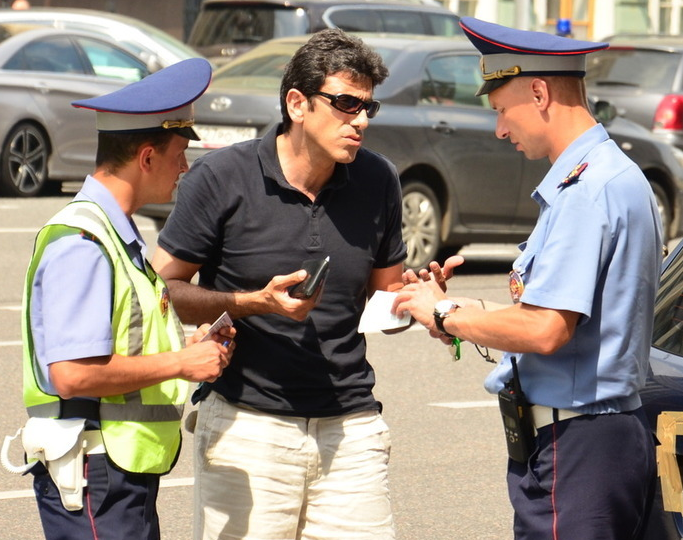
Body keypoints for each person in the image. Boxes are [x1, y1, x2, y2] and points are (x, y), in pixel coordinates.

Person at [152, 28, 459, 540]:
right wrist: (255, 303)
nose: (359, 120)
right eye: (344, 103)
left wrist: (420, 303)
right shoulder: (221, 178)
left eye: (368, 107)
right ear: (297, 103)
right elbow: (162, 292)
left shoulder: (378, 179)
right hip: (247, 426)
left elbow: (381, 302)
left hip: (351, 426)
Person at [394, 17, 664, 540]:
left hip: (578, 444)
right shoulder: (608, 176)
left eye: (501, 111)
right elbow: (567, 312)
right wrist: (463, 309)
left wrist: (447, 317)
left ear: (538, 92)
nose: (499, 130)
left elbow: (546, 330)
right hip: (591, 440)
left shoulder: (586, 191)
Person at [18, 58, 235, 540]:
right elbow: (72, 374)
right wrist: (182, 363)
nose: (184, 167)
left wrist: (193, 348)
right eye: (180, 153)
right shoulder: (84, 241)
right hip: (96, 472)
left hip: (117, 469)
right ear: (146, 157)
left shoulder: (114, 234)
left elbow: (125, 339)